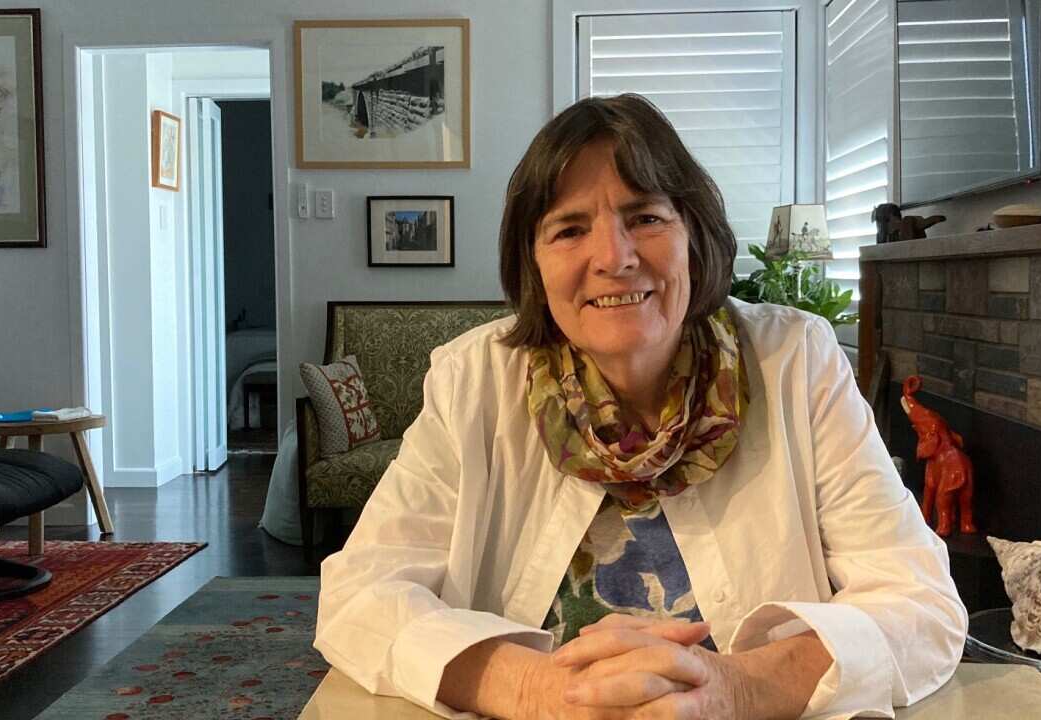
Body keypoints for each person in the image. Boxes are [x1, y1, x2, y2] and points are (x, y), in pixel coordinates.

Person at [315, 94, 967, 719]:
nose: (615, 258)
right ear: (533, 264)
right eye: (570, 229)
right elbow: (358, 596)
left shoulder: (796, 361)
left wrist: (733, 691)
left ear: (694, 235)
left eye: (646, 218)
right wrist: (540, 693)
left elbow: (924, 607)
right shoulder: (474, 379)